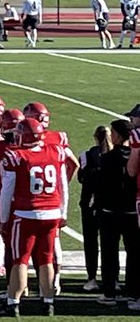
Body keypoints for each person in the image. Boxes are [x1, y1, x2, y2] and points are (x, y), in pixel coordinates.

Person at [0, 117, 76, 317]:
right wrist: (63, 211)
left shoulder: (16, 156)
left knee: (20, 261)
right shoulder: (55, 151)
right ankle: (48, 302)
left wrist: (3, 219)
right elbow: (63, 185)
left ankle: (13, 302)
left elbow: (7, 191)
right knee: (46, 260)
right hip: (52, 213)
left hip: (26, 214)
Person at [97, 119, 138, 306]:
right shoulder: (134, 155)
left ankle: (109, 291)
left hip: (110, 211)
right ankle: (134, 291)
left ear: (118, 135)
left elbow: (101, 187)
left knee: (109, 253)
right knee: (134, 253)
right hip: (131, 212)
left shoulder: (107, 158)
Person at [78, 125, 107, 293]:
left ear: (95, 137)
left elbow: (81, 177)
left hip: (89, 202)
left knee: (91, 242)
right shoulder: (113, 155)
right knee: (108, 243)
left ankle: (92, 278)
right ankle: (113, 279)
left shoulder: (87, 155)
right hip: (109, 203)